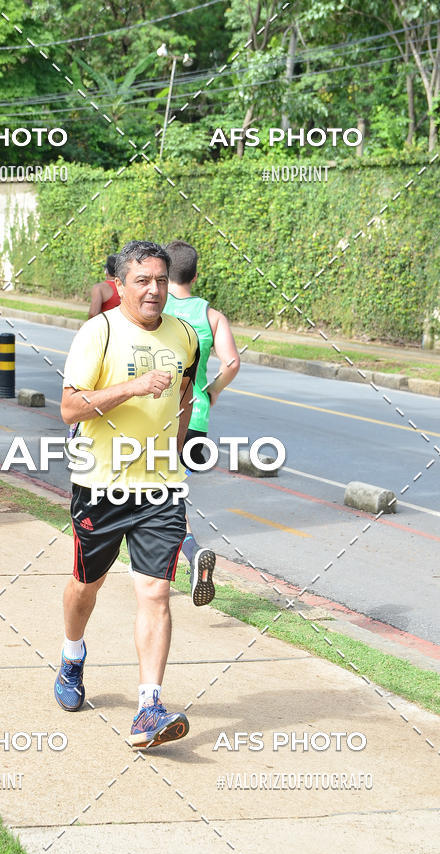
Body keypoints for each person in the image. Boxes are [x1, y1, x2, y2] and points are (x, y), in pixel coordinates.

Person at [55, 239, 199, 749]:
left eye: (161, 280)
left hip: (160, 488)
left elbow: (183, 399)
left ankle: (148, 708)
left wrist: (176, 459)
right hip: (100, 485)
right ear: (121, 286)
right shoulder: (99, 332)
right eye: (143, 281)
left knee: (155, 592)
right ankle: (73, 655)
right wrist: (134, 388)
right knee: (85, 586)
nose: (154, 290)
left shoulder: (184, 336)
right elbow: (70, 409)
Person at [164, 240, 240, 606]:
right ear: (195, 275)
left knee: (156, 494)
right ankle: (178, 556)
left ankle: (189, 555)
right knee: (166, 492)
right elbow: (231, 364)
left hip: (156, 417)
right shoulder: (213, 317)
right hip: (195, 418)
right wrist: (210, 394)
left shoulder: (152, 306)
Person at [87, 254, 121, 319]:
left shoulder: (100, 288)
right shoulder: (128, 287)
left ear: (106, 270)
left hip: (107, 327)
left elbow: (93, 314)